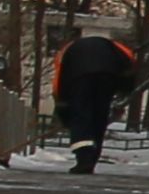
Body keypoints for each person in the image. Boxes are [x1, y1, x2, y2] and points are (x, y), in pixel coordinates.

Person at [50, 21, 142, 174]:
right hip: (108, 77)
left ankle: (84, 159)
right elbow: (130, 70)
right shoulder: (120, 49)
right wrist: (123, 93)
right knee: (99, 116)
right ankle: (92, 158)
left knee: (80, 116)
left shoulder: (67, 50)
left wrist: (62, 104)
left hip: (78, 78)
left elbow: (59, 80)